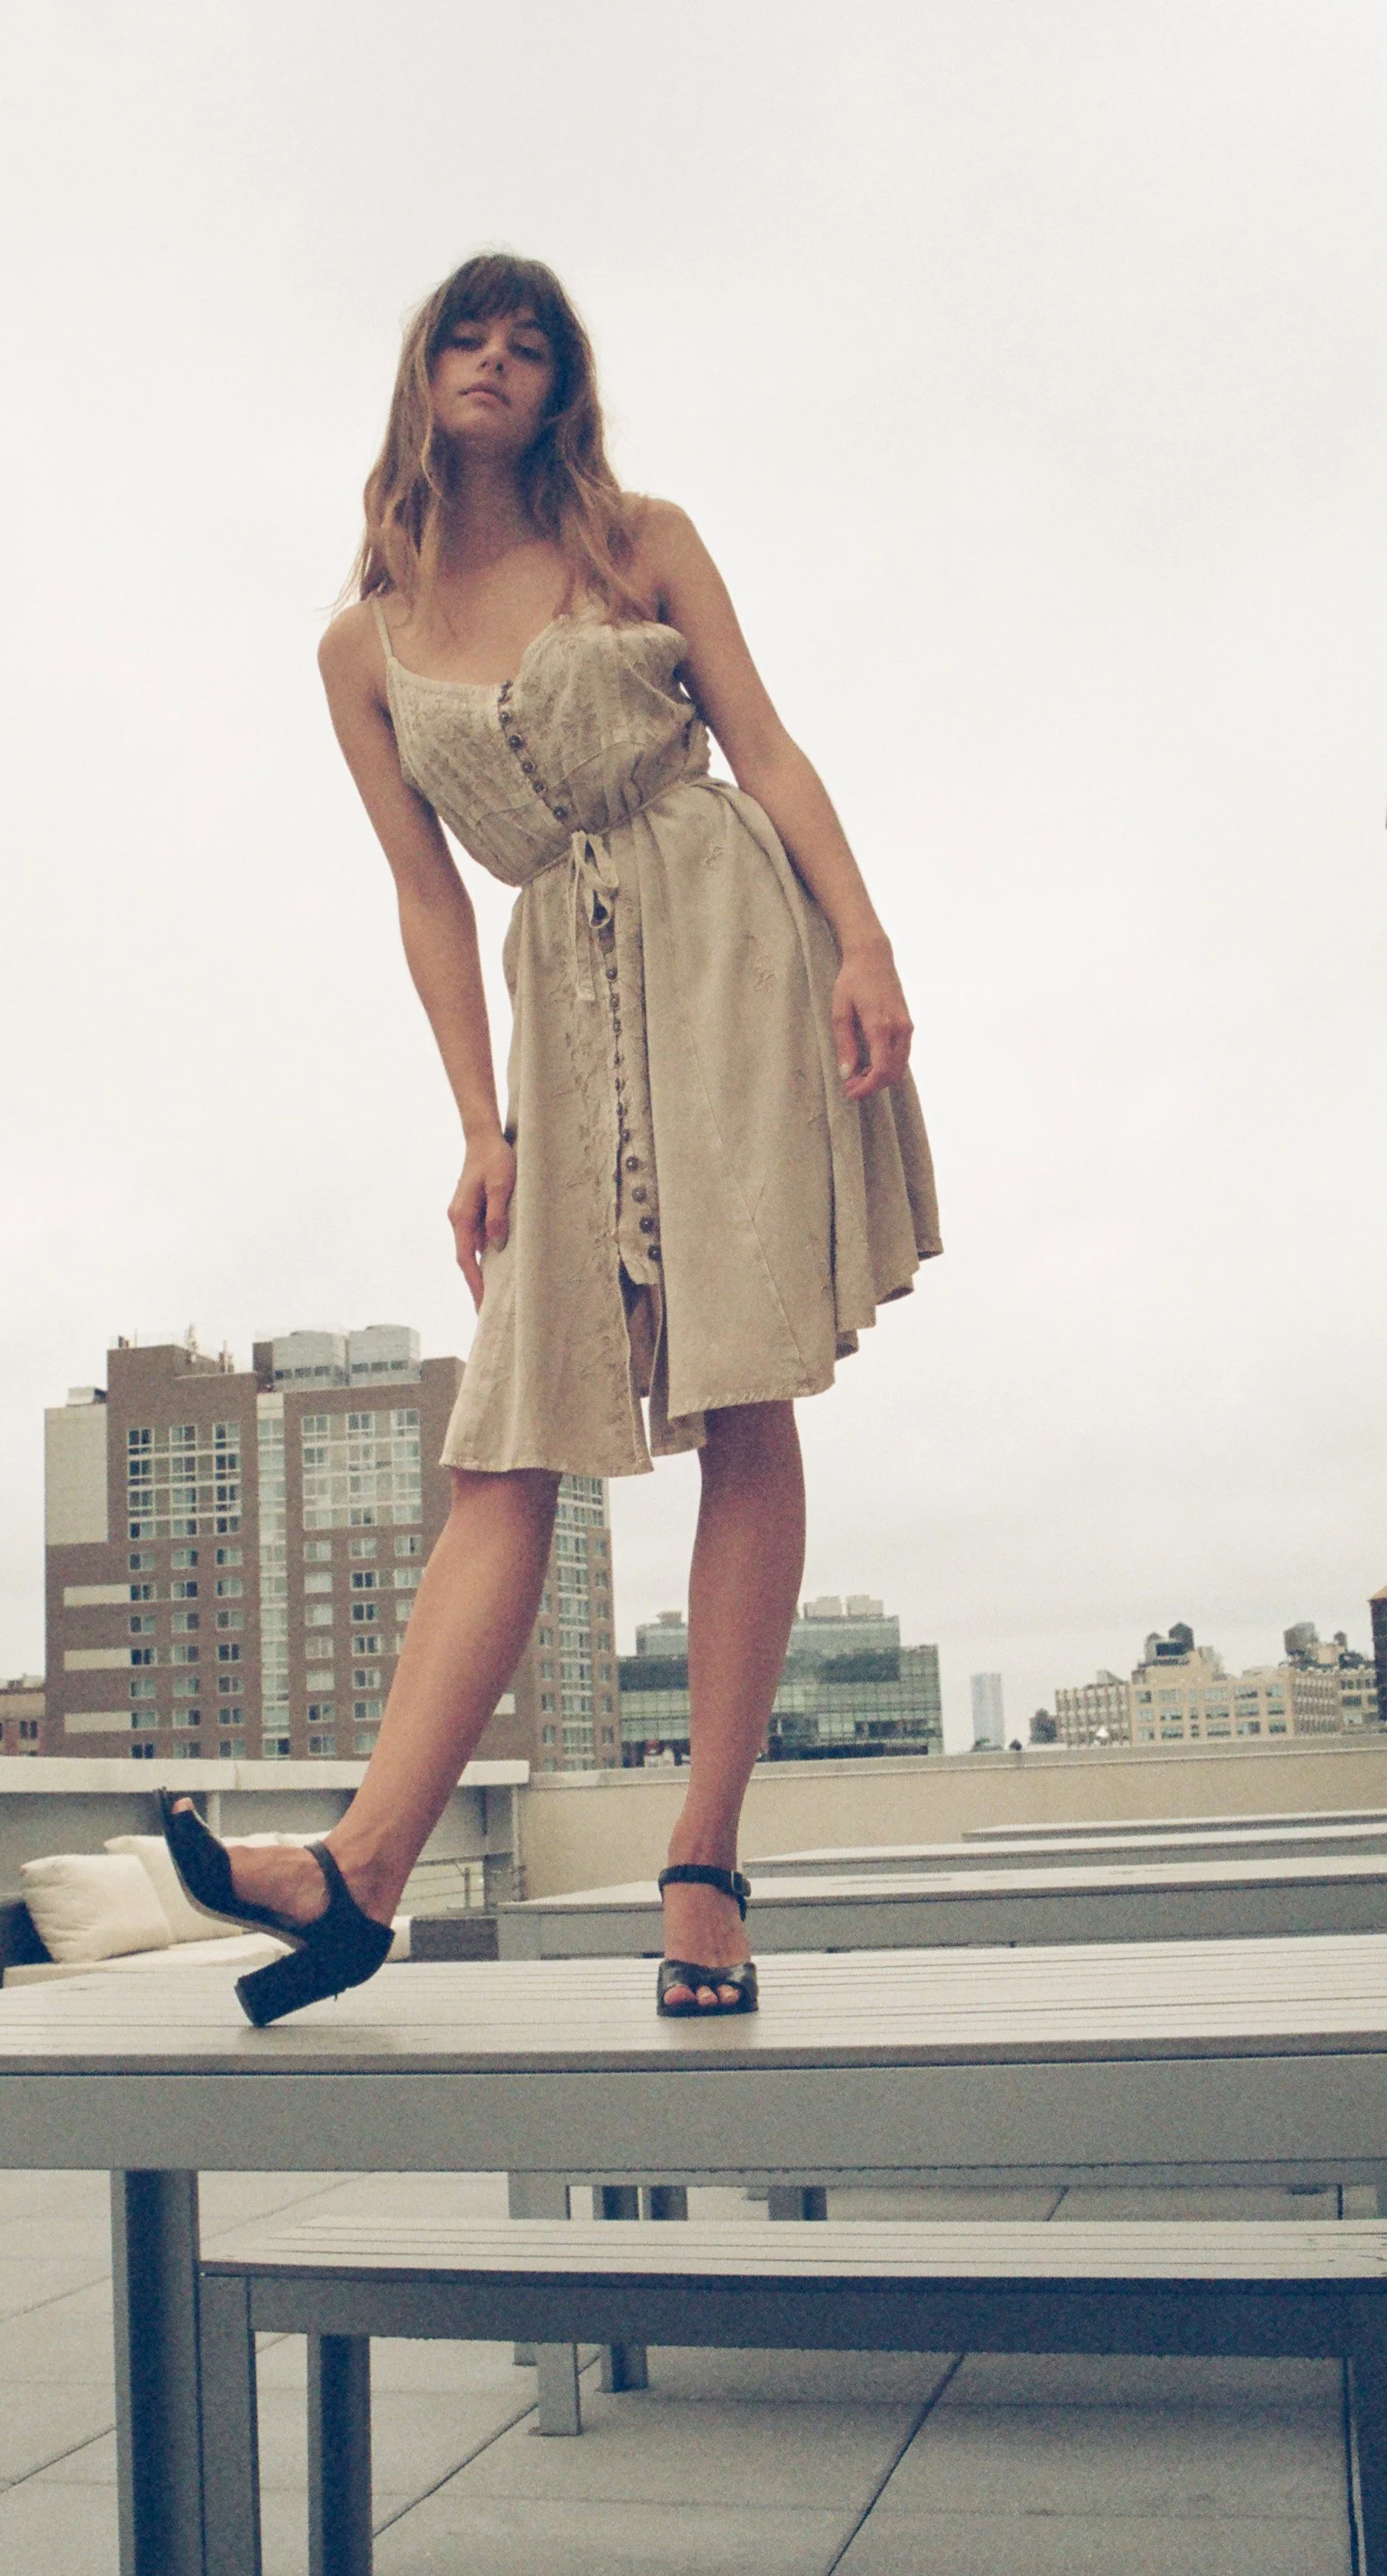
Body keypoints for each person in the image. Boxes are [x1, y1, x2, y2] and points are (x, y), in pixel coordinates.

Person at [161, 252, 939, 2028]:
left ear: (562, 381)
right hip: (557, 1017)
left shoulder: (638, 539)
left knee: (743, 1388)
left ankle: (704, 1861)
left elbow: (766, 745)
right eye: (467, 333)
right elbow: (426, 901)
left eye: (530, 341)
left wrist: (867, 939)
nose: (496, 359)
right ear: (420, 370)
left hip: (729, 941)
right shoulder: (359, 645)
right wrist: (475, 1121)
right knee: (507, 1437)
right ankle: (364, 1867)